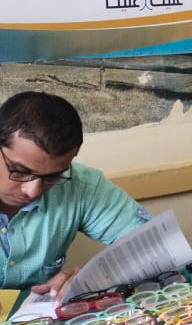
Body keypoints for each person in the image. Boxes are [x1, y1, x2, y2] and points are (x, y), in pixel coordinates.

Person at [0, 91, 150, 298]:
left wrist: (102, 272)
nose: (33, 191)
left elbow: (153, 245)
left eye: (53, 176)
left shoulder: (82, 186)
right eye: (20, 171)